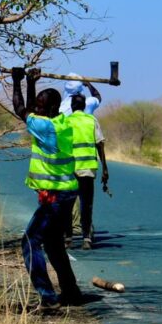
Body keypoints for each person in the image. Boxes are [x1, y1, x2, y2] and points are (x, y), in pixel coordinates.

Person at [11, 67, 82, 308]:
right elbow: (31, 109)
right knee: (53, 244)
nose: (37, 110)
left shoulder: (45, 128)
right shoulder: (63, 123)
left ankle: (48, 297)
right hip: (67, 192)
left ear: (51, 108)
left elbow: (21, 108)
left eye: (41, 107)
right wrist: (31, 82)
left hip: (55, 196)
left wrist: (17, 81)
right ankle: (71, 292)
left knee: (30, 242)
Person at [66, 94, 109, 250]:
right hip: (88, 169)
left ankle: (68, 239)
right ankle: (86, 239)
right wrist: (105, 168)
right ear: (84, 106)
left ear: (72, 106)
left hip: (69, 169)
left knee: (68, 204)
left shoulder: (66, 121)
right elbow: (100, 144)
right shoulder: (91, 120)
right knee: (87, 204)